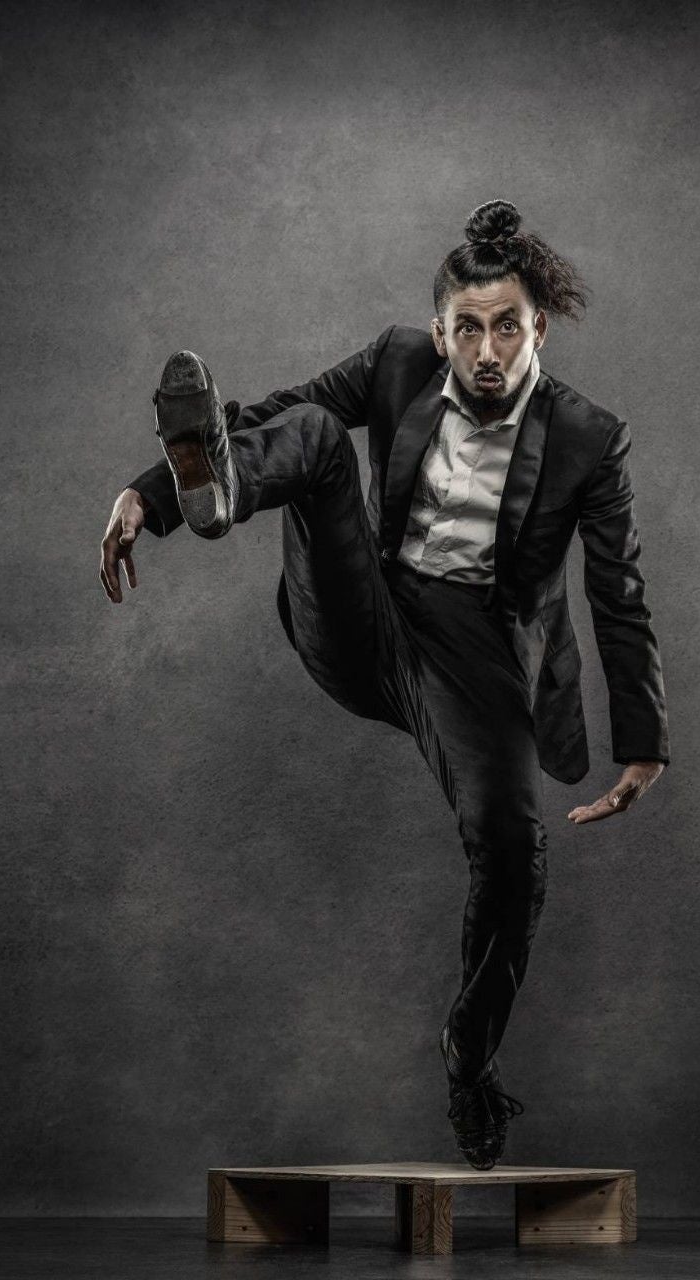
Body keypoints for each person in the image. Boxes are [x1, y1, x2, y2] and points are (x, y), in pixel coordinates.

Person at [99, 199, 670, 1171]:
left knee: (515, 852)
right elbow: (262, 416)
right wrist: (147, 496)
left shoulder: (587, 438)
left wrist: (643, 741)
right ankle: (220, 500)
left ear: (539, 328)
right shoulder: (397, 361)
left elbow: (619, 591)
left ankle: (469, 1060)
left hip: (474, 661)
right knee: (313, 430)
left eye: (508, 328)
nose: (486, 352)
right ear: (440, 331)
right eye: (467, 329)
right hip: (365, 612)